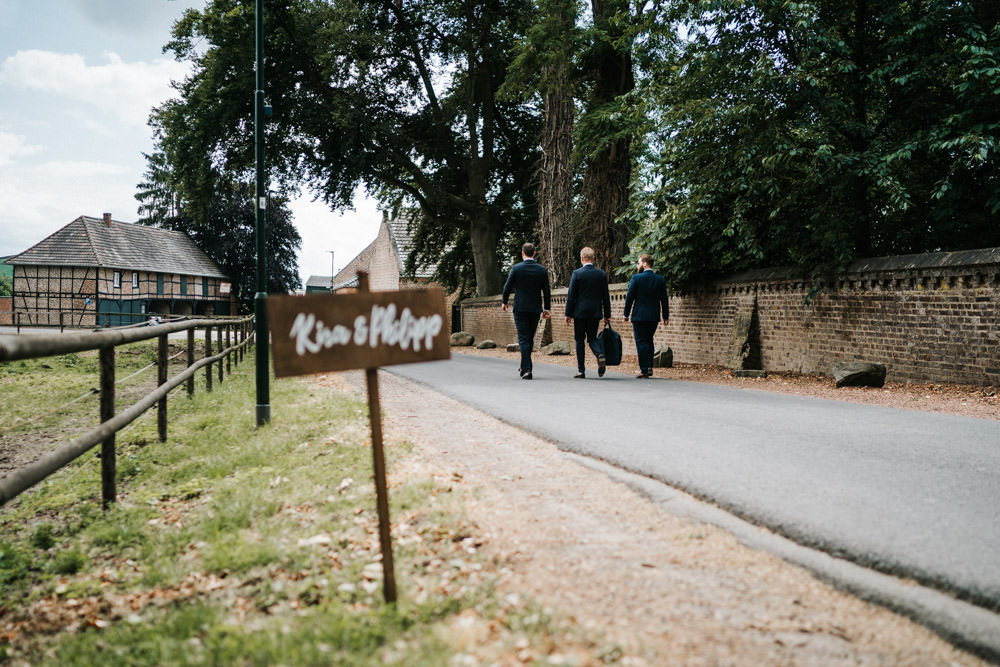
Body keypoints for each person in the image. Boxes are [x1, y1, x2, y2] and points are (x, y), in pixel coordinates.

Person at [501, 242, 552, 380]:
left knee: (524, 338)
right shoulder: (541, 270)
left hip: (520, 308)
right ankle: (524, 366)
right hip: (535, 308)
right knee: (528, 338)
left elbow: (507, 287)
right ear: (534, 253)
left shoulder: (516, 269)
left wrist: (504, 302)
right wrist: (547, 308)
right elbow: (546, 291)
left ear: (523, 253)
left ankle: (528, 369)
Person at [564, 246, 611, 378]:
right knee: (592, 338)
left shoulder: (577, 274)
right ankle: (599, 354)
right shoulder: (601, 274)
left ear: (582, 259)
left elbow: (571, 295)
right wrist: (607, 315)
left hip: (579, 313)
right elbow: (605, 296)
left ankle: (581, 370)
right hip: (595, 312)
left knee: (579, 340)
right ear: (593, 259)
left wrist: (568, 314)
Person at [623, 253, 669, 378]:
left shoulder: (636, 278)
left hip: (639, 316)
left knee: (641, 341)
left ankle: (644, 370)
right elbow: (664, 299)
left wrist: (625, 314)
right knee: (649, 340)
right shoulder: (660, 280)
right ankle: (649, 367)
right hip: (653, 316)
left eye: (639, 263)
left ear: (644, 263)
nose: (638, 265)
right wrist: (666, 316)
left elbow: (629, 298)